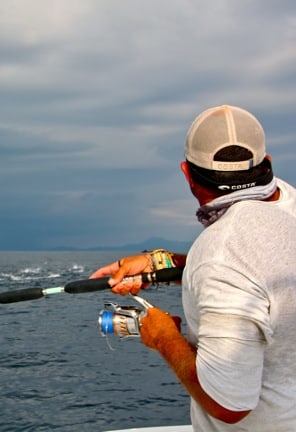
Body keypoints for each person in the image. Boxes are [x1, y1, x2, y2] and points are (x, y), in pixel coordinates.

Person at [90, 105, 296, 431]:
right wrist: (163, 263)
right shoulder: (288, 203)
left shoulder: (220, 252)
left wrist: (164, 338)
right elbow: (262, 266)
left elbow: (229, 404)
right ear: (266, 164)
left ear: (187, 174)